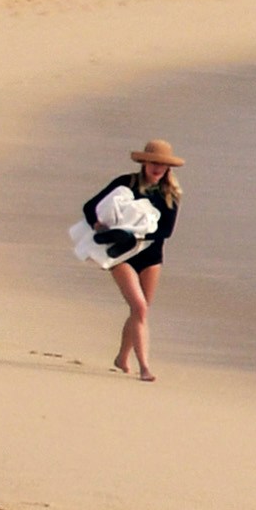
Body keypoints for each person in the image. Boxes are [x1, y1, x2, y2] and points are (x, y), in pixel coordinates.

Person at [85, 140, 180, 381]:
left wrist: (135, 232)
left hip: (151, 257)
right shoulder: (124, 184)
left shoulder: (170, 194)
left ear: (168, 168)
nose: (157, 168)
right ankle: (145, 367)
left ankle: (122, 357)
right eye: (153, 163)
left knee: (141, 311)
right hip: (121, 254)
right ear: (144, 163)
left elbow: (165, 231)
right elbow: (90, 207)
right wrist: (98, 225)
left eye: (162, 164)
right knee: (139, 307)